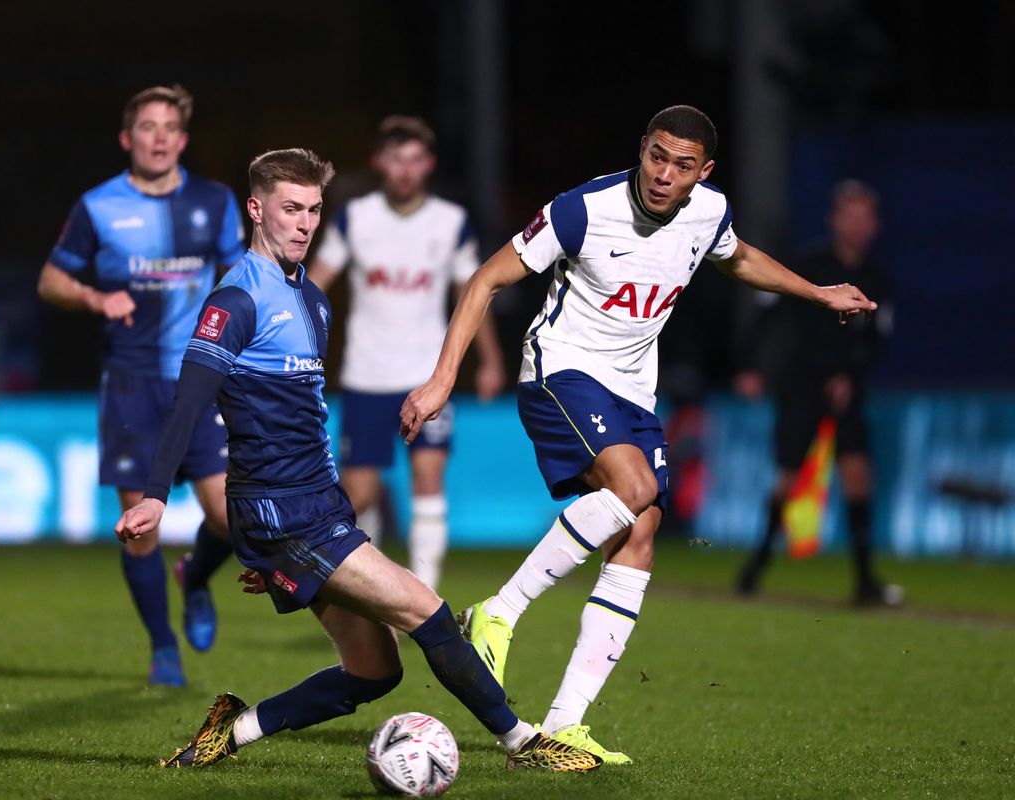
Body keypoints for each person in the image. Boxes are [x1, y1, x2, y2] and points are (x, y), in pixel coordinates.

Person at [399, 105, 878, 763]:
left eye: (683, 165)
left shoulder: (709, 210)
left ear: (702, 172)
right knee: (637, 486)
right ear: (642, 149)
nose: (664, 174)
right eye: (657, 156)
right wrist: (441, 379)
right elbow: (487, 278)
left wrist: (817, 293)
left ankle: (561, 725)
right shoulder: (584, 209)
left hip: (631, 390)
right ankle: (498, 612)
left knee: (642, 529)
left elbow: (735, 259)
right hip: (560, 372)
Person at [115, 148, 601, 773]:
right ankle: (525, 744)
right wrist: (158, 493)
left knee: (375, 671)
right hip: (282, 509)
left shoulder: (314, 301)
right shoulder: (234, 301)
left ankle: (230, 731)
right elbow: (188, 401)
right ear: (256, 210)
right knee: (426, 609)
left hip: (313, 503)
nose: (305, 223)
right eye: (291, 209)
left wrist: (281, 550)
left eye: (315, 210)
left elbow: (306, 421)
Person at [37, 85, 245, 686]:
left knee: (231, 516)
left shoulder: (216, 201)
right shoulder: (99, 207)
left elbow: (241, 278)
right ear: (127, 139)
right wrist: (93, 295)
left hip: (200, 378)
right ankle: (162, 646)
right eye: (146, 127)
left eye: (169, 128)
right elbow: (51, 281)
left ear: (182, 139)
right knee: (138, 525)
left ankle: (198, 578)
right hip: (130, 386)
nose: (158, 137)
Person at [307, 115, 505, 589]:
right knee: (360, 495)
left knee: (429, 479)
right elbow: (316, 283)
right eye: (397, 160)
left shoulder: (451, 222)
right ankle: (376, 594)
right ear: (380, 162)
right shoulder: (356, 218)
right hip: (367, 375)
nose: (406, 170)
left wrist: (492, 359)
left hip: (427, 376)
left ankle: (425, 596)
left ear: (429, 165)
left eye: (415, 160)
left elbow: (474, 293)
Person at [734, 179, 901, 606]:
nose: (858, 225)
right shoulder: (808, 265)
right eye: (851, 215)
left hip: (848, 390)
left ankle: (865, 579)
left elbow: (878, 339)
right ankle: (755, 567)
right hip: (803, 385)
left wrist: (851, 376)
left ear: (875, 225)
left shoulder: (876, 279)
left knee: (857, 475)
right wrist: (754, 366)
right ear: (835, 220)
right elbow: (767, 311)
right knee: (788, 479)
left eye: (866, 217)